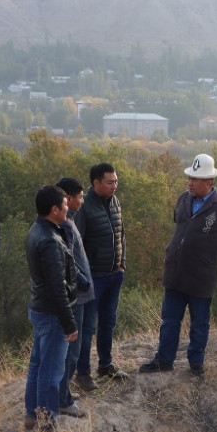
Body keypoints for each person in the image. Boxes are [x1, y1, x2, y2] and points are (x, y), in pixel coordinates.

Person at [139, 154, 217, 376]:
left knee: (199, 322)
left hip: (201, 276)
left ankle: (196, 363)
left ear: (209, 182)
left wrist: (208, 253)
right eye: (190, 177)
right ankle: (164, 360)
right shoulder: (183, 199)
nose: (190, 182)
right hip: (175, 271)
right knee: (169, 320)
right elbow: (180, 226)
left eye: (196, 179)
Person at [23, 186, 90, 432]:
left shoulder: (37, 229)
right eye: (64, 206)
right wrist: (69, 323)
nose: (67, 209)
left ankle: (32, 414)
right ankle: (46, 420)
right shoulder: (50, 241)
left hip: (40, 308)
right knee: (52, 371)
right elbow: (57, 288)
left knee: (38, 365)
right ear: (54, 210)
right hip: (52, 313)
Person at [73, 162, 128, 390]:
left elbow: (121, 233)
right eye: (110, 182)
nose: (114, 186)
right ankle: (83, 373)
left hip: (114, 274)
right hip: (94, 277)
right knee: (88, 327)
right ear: (96, 183)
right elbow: (76, 245)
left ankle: (105, 365)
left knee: (108, 322)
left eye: (116, 181)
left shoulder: (114, 202)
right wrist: (83, 276)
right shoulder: (84, 208)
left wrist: (122, 263)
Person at [55, 178, 94, 418]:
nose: (81, 200)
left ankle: (63, 392)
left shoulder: (68, 221)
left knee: (71, 349)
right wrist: (83, 281)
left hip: (78, 295)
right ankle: (63, 400)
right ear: (67, 199)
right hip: (75, 298)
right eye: (79, 196)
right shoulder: (65, 226)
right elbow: (68, 261)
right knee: (71, 350)